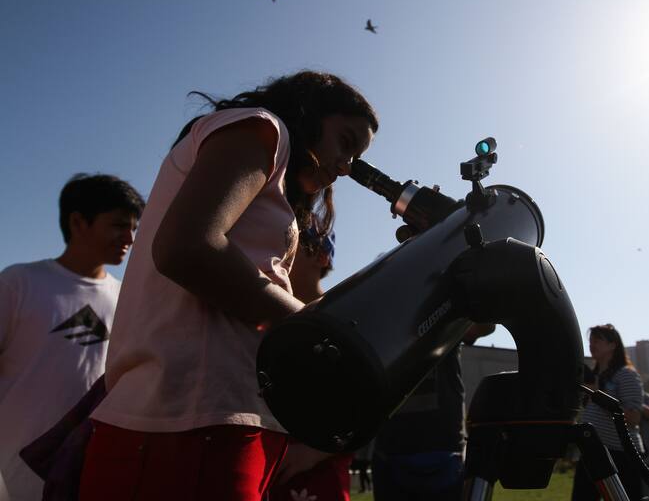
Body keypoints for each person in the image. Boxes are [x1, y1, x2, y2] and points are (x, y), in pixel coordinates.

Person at [78, 71, 378, 501]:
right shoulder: (262, 128)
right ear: (310, 114)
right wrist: (313, 325)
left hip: (215, 419)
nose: (346, 167)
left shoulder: (274, 174)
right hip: (187, 421)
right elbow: (185, 247)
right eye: (346, 142)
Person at [0, 174, 144, 501]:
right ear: (78, 222)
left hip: (81, 476)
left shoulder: (128, 299)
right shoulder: (19, 283)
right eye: (119, 225)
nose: (130, 238)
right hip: (9, 478)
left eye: (134, 228)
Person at [269, 221, 354, 501]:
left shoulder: (344, 317)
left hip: (319, 479)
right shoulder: (266, 315)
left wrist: (316, 451)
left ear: (322, 256)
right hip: (269, 466)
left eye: (292, 246)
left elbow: (368, 400)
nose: (280, 256)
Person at [371, 323, 495, 501]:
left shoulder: (439, 306)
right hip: (394, 449)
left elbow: (484, 325)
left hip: (437, 448)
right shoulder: (381, 311)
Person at [572, 324, 645, 501]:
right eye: (590, 340)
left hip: (622, 455)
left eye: (598, 340)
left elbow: (634, 418)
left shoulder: (626, 374)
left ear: (613, 345)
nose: (591, 344)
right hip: (592, 452)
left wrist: (599, 396)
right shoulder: (592, 377)